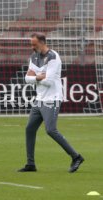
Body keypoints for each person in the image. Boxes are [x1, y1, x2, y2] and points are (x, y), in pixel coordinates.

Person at [18, 33, 84, 173]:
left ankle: (76, 157)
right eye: (31, 44)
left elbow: (48, 82)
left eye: (34, 44)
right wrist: (38, 77)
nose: (32, 47)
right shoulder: (34, 56)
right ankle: (31, 164)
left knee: (51, 130)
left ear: (42, 43)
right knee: (29, 129)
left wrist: (34, 77)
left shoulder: (53, 57)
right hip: (39, 99)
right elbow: (27, 78)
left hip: (52, 99)